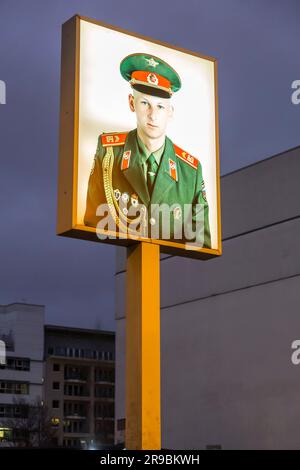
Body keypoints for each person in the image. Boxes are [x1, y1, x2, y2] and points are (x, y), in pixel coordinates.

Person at [84, 53, 211, 247]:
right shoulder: (109, 152)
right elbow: (93, 222)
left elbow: (201, 244)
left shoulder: (191, 173)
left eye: (160, 106)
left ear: (170, 112)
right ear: (131, 103)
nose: (153, 115)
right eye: (145, 103)